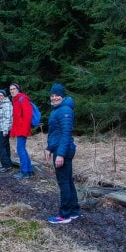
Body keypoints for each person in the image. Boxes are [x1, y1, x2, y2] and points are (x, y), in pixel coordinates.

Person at [45, 83, 80, 224]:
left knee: (64, 182)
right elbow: (56, 133)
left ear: (62, 96)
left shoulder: (65, 110)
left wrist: (60, 154)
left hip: (64, 150)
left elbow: (66, 134)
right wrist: (49, 148)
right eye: (52, 95)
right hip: (60, 148)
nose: (54, 98)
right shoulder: (57, 109)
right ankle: (74, 210)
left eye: (57, 95)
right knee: (68, 181)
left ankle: (64, 215)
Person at [9, 83, 34, 179]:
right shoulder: (15, 100)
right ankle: (29, 170)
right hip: (19, 129)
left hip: (22, 129)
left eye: (13, 89)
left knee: (20, 149)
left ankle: (24, 172)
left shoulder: (22, 98)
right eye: (10, 89)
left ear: (18, 89)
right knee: (22, 149)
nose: (12, 91)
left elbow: (28, 116)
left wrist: (23, 130)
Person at [0, 89, 13, 172]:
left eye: (1, 95)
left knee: (0, 146)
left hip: (5, 129)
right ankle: (8, 163)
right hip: (0, 129)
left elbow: (8, 118)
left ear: (4, 96)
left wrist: (5, 130)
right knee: (5, 146)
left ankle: (6, 165)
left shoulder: (7, 105)